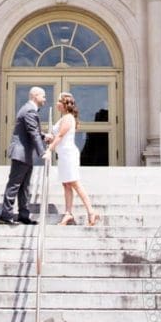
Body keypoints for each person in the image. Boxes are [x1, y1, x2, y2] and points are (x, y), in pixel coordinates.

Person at [0, 86, 50, 226]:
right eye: (43, 96)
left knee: (25, 187)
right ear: (35, 96)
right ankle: (6, 215)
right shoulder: (29, 110)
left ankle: (23, 215)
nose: (45, 99)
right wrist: (42, 152)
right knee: (14, 185)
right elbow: (33, 132)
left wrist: (44, 136)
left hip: (25, 154)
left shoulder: (29, 109)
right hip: (21, 153)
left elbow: (33, 131)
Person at [47, 92, 100, 227]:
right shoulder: (64, 118)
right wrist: (48, 138)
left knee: (75, 183)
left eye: (59, 101)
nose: (57, 103)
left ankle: (91, 211)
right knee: (66, 184)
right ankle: (68, 213)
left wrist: (49, 149)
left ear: (64, 104)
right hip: (63, 154)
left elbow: (60, 136)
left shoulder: (68, 118)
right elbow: (57, 136)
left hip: (69, 154)